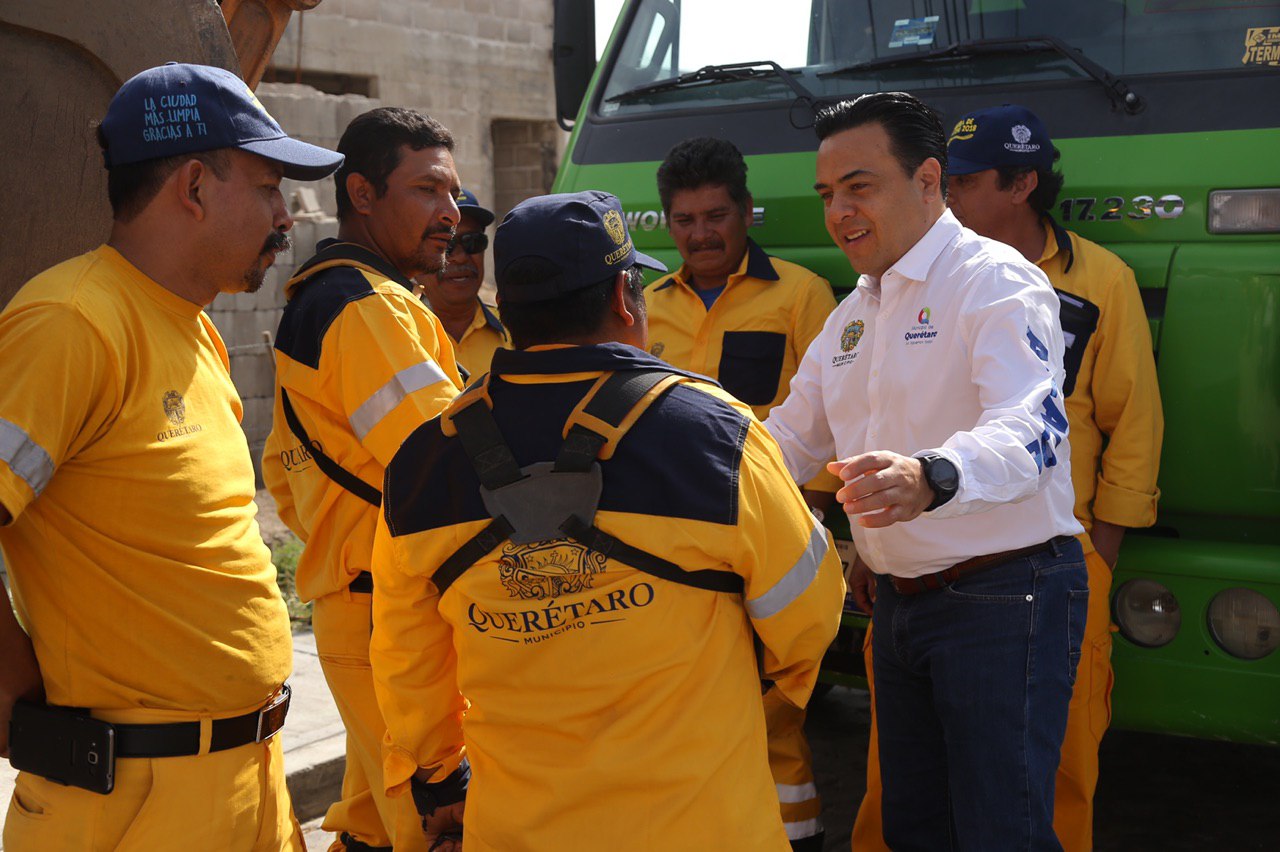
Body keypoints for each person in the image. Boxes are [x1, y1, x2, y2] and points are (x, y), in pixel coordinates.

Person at [368, 190, 846, 851]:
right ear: (627, 299)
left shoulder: (422, 462)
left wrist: (440, 776)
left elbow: (407, 667)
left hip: (517, 833)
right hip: (700, 828)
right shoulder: (718, 436)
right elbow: (809, 615)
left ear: (506, 311)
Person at [0, 62, 343, 851]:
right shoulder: (72, 324)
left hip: (243, 779)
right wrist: (13, 693)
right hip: (132, 802)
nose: (286, 215)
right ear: (193, 186)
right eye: (267, 188)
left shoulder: (192, 329)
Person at [765, 92, 1089, 851]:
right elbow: (783, 443)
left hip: (1005, 599)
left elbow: (1034, 430)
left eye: (859, 187)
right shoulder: (851, 316)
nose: (839, 213)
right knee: (915, 828)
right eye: (827, 195)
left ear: (927, 181)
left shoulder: (994, 281)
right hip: (900, 611)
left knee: (997, 830)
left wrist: (931, 475)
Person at [261, 107, 466, 852]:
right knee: (432, 821)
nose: (450, 215)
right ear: (363, 193)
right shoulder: (366, 308)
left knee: (377, 821)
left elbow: (282, 479)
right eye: (428, 191)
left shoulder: (329, 299)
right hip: (395, 616)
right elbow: (458, 467)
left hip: (363, 604)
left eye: (453, 195)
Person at [645, 136, 839, 850]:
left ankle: (794, 836)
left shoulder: (801, 297)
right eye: (685, 219)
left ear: (746, 212)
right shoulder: (644, 305)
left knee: (774, 706)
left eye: (716, 215)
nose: (701, 233)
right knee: (690, 701)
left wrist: (810, 528)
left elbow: (833, 417)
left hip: (770, 542)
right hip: (670, 547)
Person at [415, 188, 508, 377]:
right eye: (445, 245)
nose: (460, 257)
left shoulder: (516, 329)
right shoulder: (402, 334)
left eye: (472, 242)